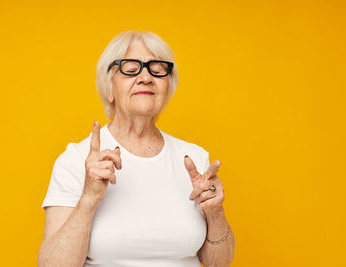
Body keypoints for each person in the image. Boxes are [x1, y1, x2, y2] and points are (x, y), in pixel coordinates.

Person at [38, 30, 235, 267]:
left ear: (167, 88)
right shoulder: (75, 161)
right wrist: (89, 198)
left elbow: (219, 264)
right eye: (130, 69)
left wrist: (215, 213)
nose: (146, 77)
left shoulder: (194, 159)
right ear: (108, 88)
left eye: (157, 69)